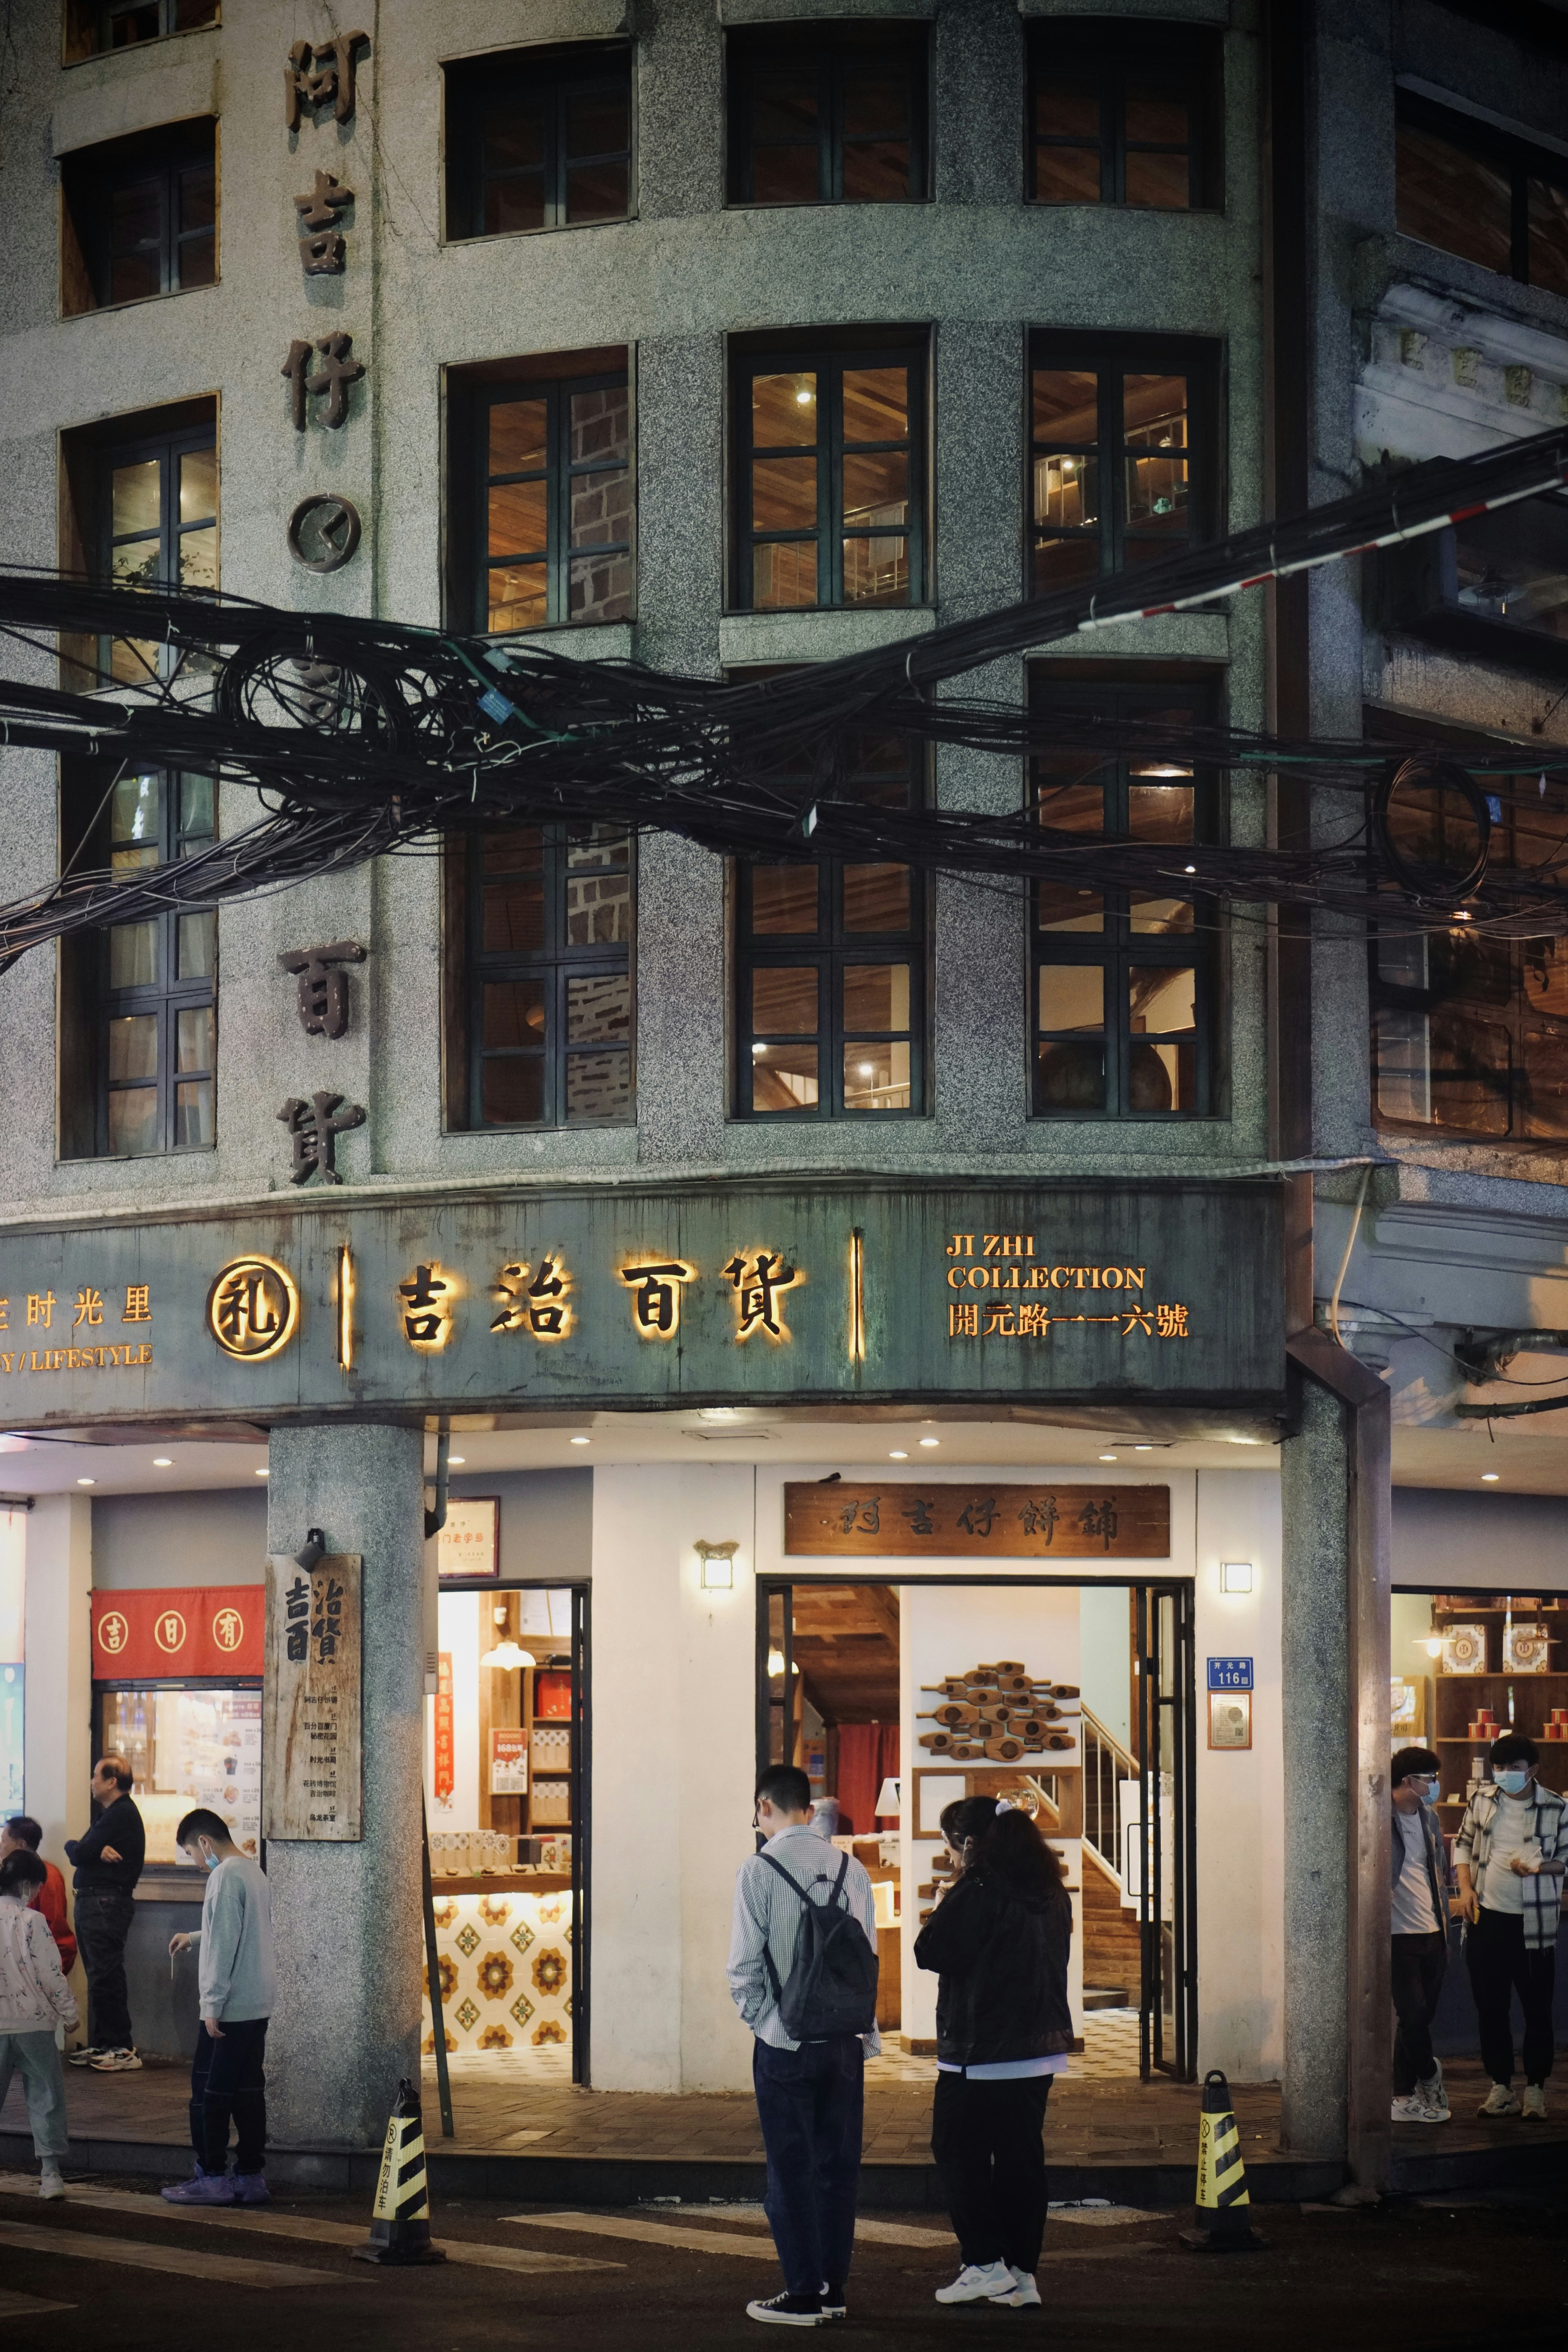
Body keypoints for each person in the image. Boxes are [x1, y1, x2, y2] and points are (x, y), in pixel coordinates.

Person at [727, 1763, 879, 2327]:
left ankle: (801, 2293)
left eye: (755, 1812)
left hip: (786, 2045)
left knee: (789, 2169)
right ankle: (833, 2287)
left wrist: (767, 2025)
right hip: (843, 2042)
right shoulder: (851, 1869)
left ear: (765, 1807)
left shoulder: (757, 1871)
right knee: (837, 2170)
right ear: (810, 1809)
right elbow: (866, 1962)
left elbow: (743, 1968)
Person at [913, 1795, 1073, 2311]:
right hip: (1039, 2047)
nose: (952, 1857)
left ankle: (984, 2262)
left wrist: (944, 1903)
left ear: (966, 1843)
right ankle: (1021, 2273)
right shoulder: (1050, 1890)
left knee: (955, 2148)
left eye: (950, 1847)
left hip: (980, 2049)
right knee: (1020, 2160)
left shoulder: (979, 1888)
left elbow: (932, 1952)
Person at [162, 1807, 276, 2205]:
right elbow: (239, 1929)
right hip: (256, 2001)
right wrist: (194, 1936)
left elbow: (226, 1941)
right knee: (248, 2092)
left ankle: (211, 2176)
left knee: (209, 2094)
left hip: (228, 2008)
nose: (197, 1863)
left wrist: (211, 2003)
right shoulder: (252, 1871)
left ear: (205, 1843)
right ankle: (250, 2176)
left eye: (193, 1853)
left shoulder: (223, 1876)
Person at [1454, 1732, 1567, 2119]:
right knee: (1491, 2008)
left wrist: (1539, 1866)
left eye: (1513, 1769)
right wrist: (1465, 1889)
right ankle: (1500, 2086)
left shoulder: (1555, 1806)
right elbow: (1463, 1845)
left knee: (1537, 2009)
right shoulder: (1482, 1800)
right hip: (1487, 1919)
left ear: (1531, 1770)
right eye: (1498, 1768)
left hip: (1533, 1926)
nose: (1503, 1775)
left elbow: (1567, 1859)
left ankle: (1535, 2088)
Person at [0, 1845, 80, 2198]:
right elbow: (52, 1974)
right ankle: (50, 2176)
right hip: (34, 2025)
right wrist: (71, 2014)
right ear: (27, 1885)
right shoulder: (32, 1921)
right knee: (46, 2096)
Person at [63, 1753, 144, 2073]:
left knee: (106, 1975)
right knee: (100, 1976)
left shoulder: (119, 1813)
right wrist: (89, 1849)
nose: (91, 1782)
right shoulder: (110, 1814)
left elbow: (78, 1852)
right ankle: (104, 2042)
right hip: (97, 1903)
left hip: (106, 1904)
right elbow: (80, 1849)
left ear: (112, 1782)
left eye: (96, 1776)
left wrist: (87, 1849)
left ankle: (122, 2048)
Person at [1389, 1746, 1451, 2124]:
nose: (1434, 1785)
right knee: (1411, 2017)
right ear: (1407, 1781)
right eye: (1428, 1779)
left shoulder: (1429, 1817)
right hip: (1399, 1935)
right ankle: (1429, 2075)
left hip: (1434, 1931)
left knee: (1419, 2019)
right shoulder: (1380, 1818)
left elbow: (1437, 1871)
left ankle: (1400, 2097)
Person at [1, 1816, 76, 1978]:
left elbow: (56, 1932)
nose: (1, 1847)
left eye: (4, 1841)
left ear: (21, 1845)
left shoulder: (47, 1878)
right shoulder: (9, 1876)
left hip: (35, 1969)